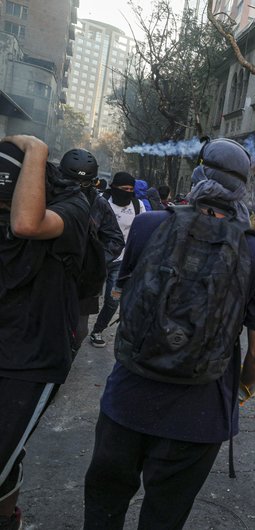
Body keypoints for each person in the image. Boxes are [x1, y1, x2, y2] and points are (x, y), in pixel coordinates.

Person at [83, 137, 255, 529]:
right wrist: (241, 387)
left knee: (104, 507)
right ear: (241, 190)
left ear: (198, 175)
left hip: (128, 399)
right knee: (164, 517)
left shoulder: (147, 225)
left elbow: (127, 293)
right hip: (200, 416)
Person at [0, 136, 90, 530]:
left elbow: (25, 223)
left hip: (33, 360)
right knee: (8, 456)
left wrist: (35, 149)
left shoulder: (72, 207)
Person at [58, 149, 124, 354]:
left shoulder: (99, 203)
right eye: (71, 182)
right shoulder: (48, 194)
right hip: (51, 273)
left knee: (79, 331)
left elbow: (116, 239)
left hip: (83, 281)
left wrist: (94, 261)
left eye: (84, 183)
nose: (77, 188)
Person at [89, 172, 146, 347]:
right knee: (87, 297)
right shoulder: (102, 202)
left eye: (130, 189)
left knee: (113, 300)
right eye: (123, 189)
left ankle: (97, 330)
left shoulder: (137, 205)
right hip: (98, 259)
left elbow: (142, 230)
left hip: (121, 263)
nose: (127, 192)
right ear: (114, 187)